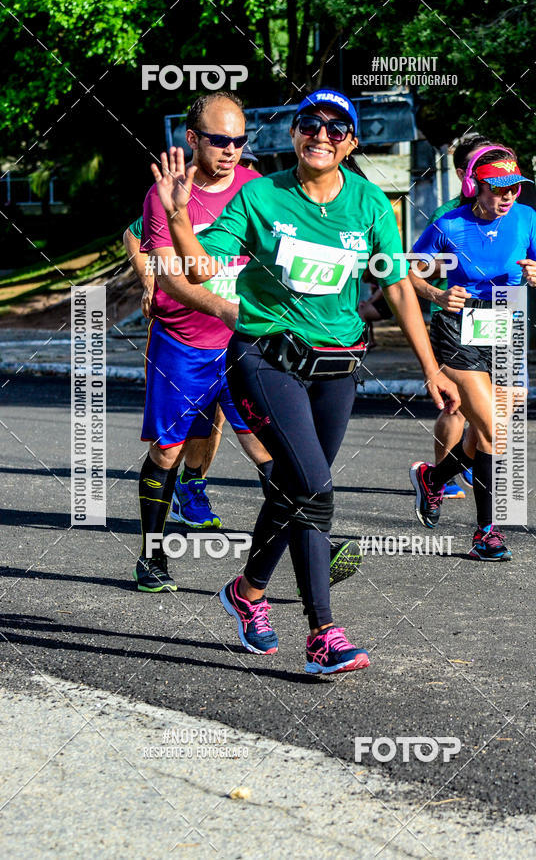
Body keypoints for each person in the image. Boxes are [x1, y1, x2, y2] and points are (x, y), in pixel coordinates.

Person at [150, 87, 460, 673]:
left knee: (291, 491)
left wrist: (430, 368)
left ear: (352, 141)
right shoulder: (260, 196)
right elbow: (199, 268)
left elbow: (395, 287)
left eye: (335, 127)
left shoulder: (370, 203)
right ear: (292, 135)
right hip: (265, 361)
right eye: (308, 124)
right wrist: (176, 214)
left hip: (336, 370)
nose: (321, 135)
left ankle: (246, 592)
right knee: (315, 487)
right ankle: (323, 633)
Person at [133, 91, 273, 592]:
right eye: (219, 140)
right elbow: (171, 277)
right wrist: (228, 308)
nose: (231, 149)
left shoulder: (257, 189)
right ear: (192, 139)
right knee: (168, 454)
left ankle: (297, 562)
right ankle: (152, 556)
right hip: (182, 345)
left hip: (243, 348)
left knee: (271, 452)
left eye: (239, 140)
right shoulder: (165, 194)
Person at [409, 144, 536, 561]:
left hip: (507, 321)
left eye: (514, 188)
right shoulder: (448, 224)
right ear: (475, 186)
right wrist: (437, 291)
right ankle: (486, 533)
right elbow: (406, 269)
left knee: (486, 431)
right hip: (461, 326)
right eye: (498, 188)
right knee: (494, 428)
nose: (508, 196)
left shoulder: (526, 219)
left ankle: (434, 478)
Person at [124, 217, 227, 526]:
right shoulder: (180, 201)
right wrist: (148, 280)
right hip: (181, 336)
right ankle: (180, 495)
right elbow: (133, 233)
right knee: (180, 428)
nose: (238, 166)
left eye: (247, 164)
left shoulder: (254, 194)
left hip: (235, 329)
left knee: (220, 415)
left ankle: (192, 484)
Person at [423, 134, 493, 498]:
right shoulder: (447, 216)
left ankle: (456, 469)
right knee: (458, 408)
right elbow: (420, 271)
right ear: (468, 173)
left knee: (490, 413)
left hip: (495, 321)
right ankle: (443, 475)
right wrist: (441, 292)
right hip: (454, 321)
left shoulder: (510, 212)